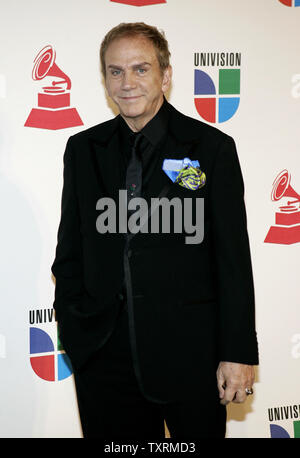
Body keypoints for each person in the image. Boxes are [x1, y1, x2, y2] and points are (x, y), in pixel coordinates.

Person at [51, 22, 259, 439]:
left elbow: (232, 259)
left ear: (165, 75)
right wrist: (77, 331)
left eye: (140, 69)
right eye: (115, 71)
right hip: (104, 359)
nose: (126, 83)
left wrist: (236, 352)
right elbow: (70, 250)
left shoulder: (211, 149)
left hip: (191, 357)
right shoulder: (83, 150)